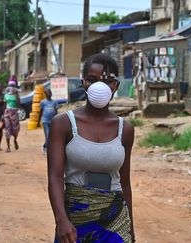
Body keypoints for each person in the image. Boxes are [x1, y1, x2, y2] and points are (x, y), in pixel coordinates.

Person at [47, 53, 135, 243]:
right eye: (92, 80)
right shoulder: (63, 124)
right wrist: (61, 221)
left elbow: (125, 182)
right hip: (75, 220)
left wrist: (130, 230)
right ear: (83, 83)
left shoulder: (125, 129)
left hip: (115, 221)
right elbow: (55, 176)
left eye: (108, 81)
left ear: (116, 86)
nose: (99, 87)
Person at [38, 88, 59, 154]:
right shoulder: (43, 102)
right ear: (45, 94)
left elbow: (56, 112)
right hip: (45, 121)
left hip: (52, 121)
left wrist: (57, 121)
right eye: (47, 93)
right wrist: (38, 121)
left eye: (50, 92)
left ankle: (45, 146)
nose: (49, 94)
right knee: (48, 135)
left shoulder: (54, 102)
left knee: (51, 136)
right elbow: (40, 112)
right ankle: (48, 149)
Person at [3, 80, 20, 152]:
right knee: (7, 128)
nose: (11, 88)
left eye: (13, 86)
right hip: (7, 112)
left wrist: (16, 96)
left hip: (14, 113)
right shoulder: (6, 95)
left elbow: (19, 105)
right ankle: (8, 147)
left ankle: (15, 140)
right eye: (10, 86)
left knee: (15, 129)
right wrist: (2, 115)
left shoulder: (17, 95)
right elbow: (4, 105)